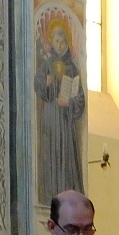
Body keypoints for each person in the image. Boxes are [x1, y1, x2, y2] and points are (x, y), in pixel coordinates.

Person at [34, 20, 85, 202]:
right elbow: (38, 85)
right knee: (50, 154)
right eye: (57, 41)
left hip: (64, 120)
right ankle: (50, 197)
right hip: (50, 117)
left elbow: (80, 98)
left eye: (63, 42)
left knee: (65, 155)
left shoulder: (72, 68)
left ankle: (67, 198)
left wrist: (69, 102)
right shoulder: (46, 65)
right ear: (51, 41)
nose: (60, 45)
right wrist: (46, 84)